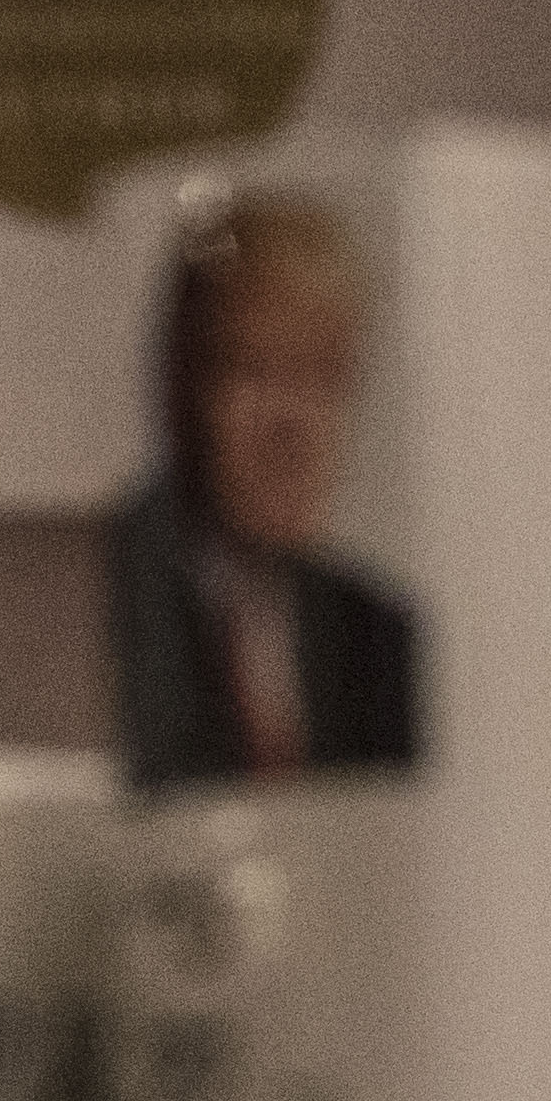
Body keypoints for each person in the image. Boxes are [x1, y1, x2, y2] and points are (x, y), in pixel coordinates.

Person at [99, 186, 430, 785]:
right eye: (258, 369)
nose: (295, 421)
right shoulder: (112, 588)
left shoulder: (378, 635)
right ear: (185, 394)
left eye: (323, 376)